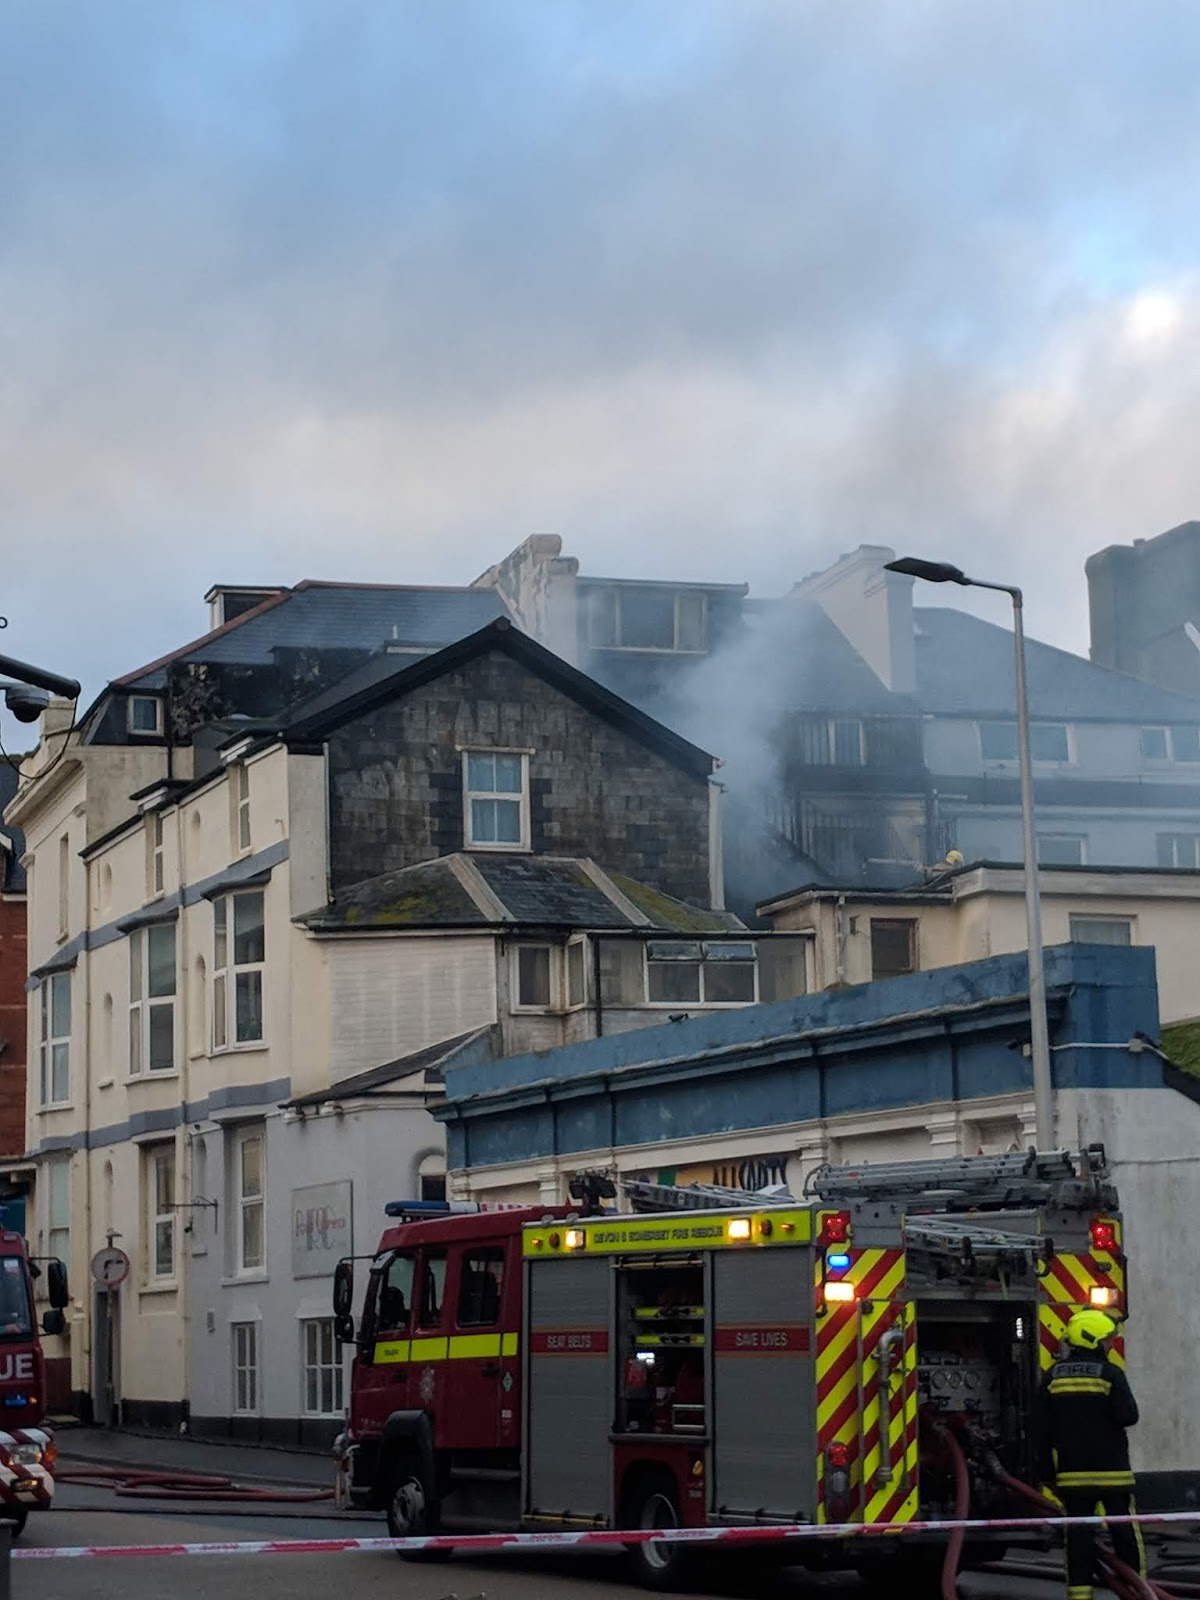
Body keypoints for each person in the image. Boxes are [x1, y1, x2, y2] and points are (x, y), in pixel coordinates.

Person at [1041, 1308, 1144, 1600]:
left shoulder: (1052, 1378)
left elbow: (1040, 1430)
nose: (1111, 1345)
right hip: (1113, 1474)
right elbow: (1129, 1416)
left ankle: (1080, 1596)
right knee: (1125, 1535)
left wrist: (1047, 1474)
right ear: (1095, 1341)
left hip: (1073, 1478)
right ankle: (1137, 1591)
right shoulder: (1110, 1374)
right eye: (1107, 1340)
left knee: (1078, 1540)